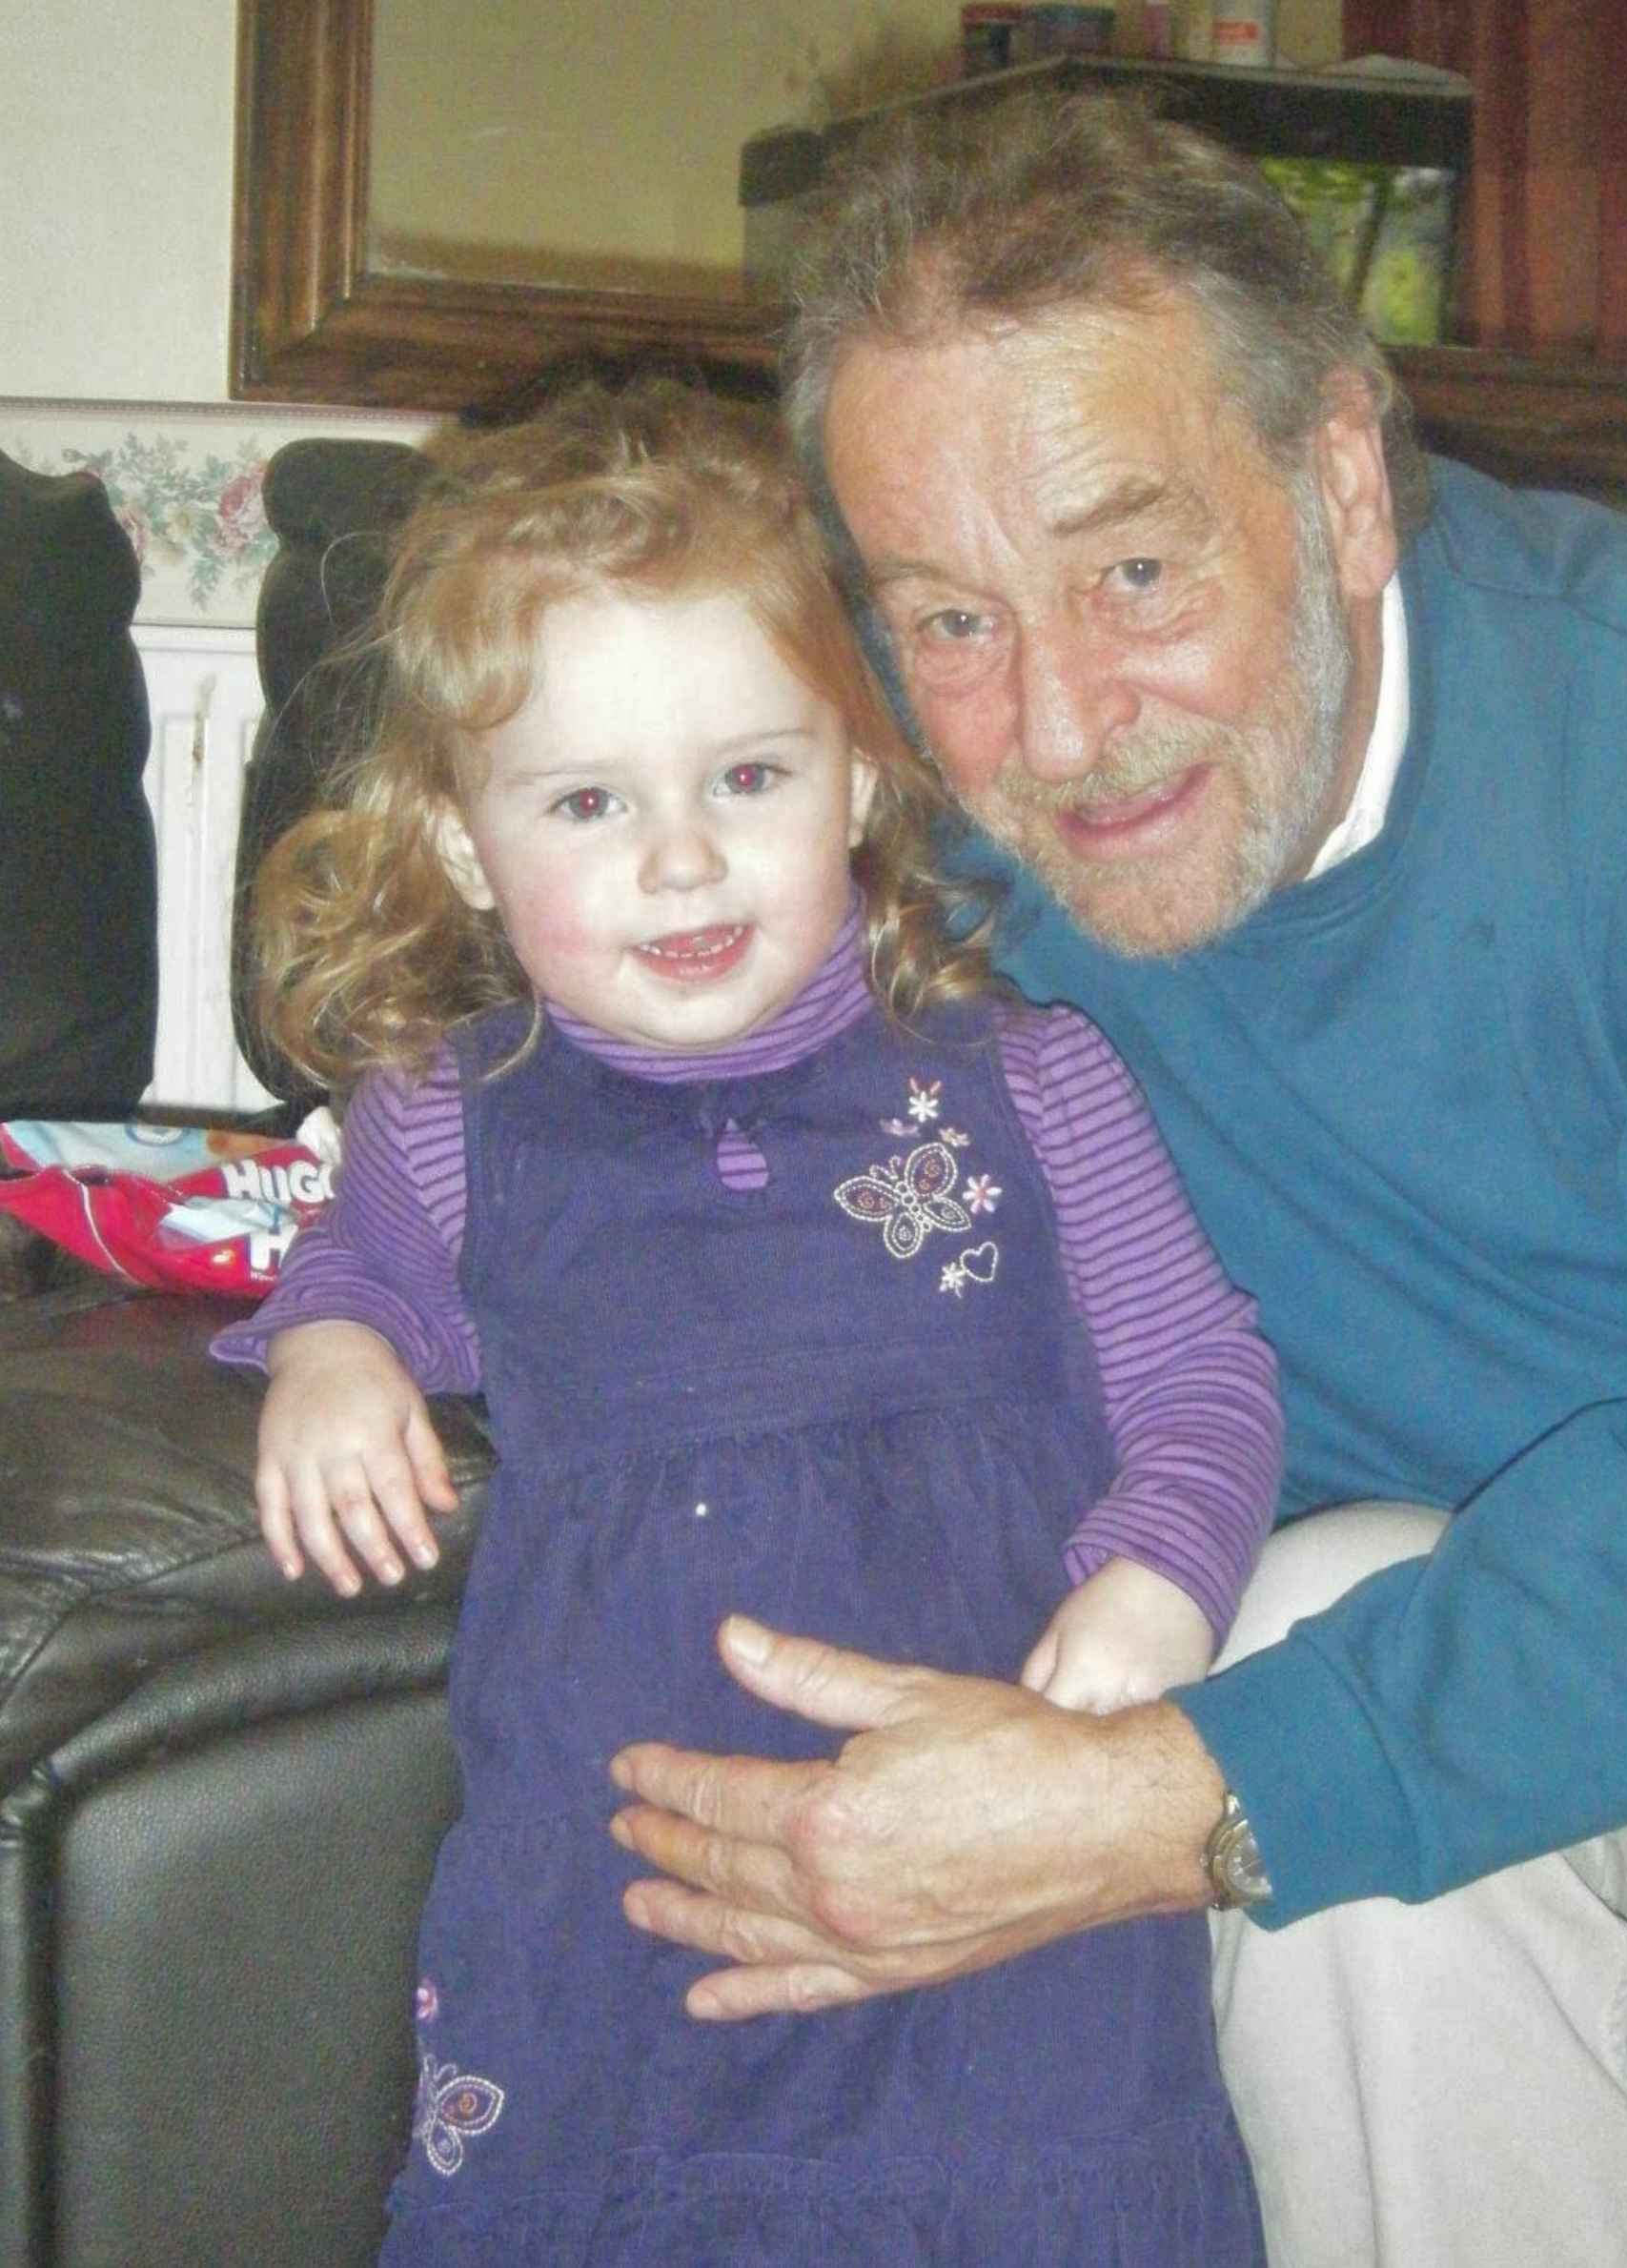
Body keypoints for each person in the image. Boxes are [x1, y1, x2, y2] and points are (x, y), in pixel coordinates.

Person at [600, 93, 1627, 2268]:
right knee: (1305, 1649)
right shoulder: (927, 840)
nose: (1063, 727)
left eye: (1131, 566)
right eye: (953, 619)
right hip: (1511, 1631)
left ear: (1345, 485)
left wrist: (1137, 1798)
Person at [213, 377, 1278, 2264]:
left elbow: (1200, 1372)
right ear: (466, 841)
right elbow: (358, 1271)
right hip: (618, 1933)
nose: (680, 856)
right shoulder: (453, 1124)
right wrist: (334, 1352)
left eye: (747, 776)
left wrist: (1157, 1579)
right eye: (589, 801)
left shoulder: (1034, 1087)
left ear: (859, 773)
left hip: (1007, 1895)